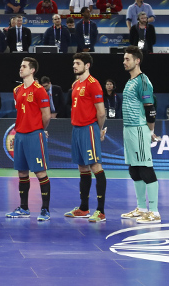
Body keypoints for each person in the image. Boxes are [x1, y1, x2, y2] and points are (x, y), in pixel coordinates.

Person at [6, 58, 52, 221]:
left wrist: (39, 130)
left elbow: (46, 116)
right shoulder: (17, 90)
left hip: (34, 135)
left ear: (32, 70)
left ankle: (45, 209)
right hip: (20, 135)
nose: (21, 68)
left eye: (24, 66)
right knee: (22, 172)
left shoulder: (39, 90)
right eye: (20, 65)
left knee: (40, 172)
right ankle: (24, 208)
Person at [63, 53, 108, 223]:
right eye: (73, 62)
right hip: (76, 129)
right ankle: (83, 208)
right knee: (83, 168)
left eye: (78, 63)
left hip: (89, 128)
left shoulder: (93, 84)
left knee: (95, 166)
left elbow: (101, 112)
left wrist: (98, 130)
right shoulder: (76, 84)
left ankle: (101, 211)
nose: (74, 66)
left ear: (87, 65)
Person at [120, 46, 161, 224]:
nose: (124, 61)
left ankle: (154, 211)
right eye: (124, 59)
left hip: (139, 128)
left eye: (127, 59)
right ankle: (141, 208)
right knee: (133, 169)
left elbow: (150, 109)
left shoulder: (143, 81)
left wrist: (150, 131)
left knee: (145, 168)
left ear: (137, 60)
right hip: (128, 128)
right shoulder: (130, 81)